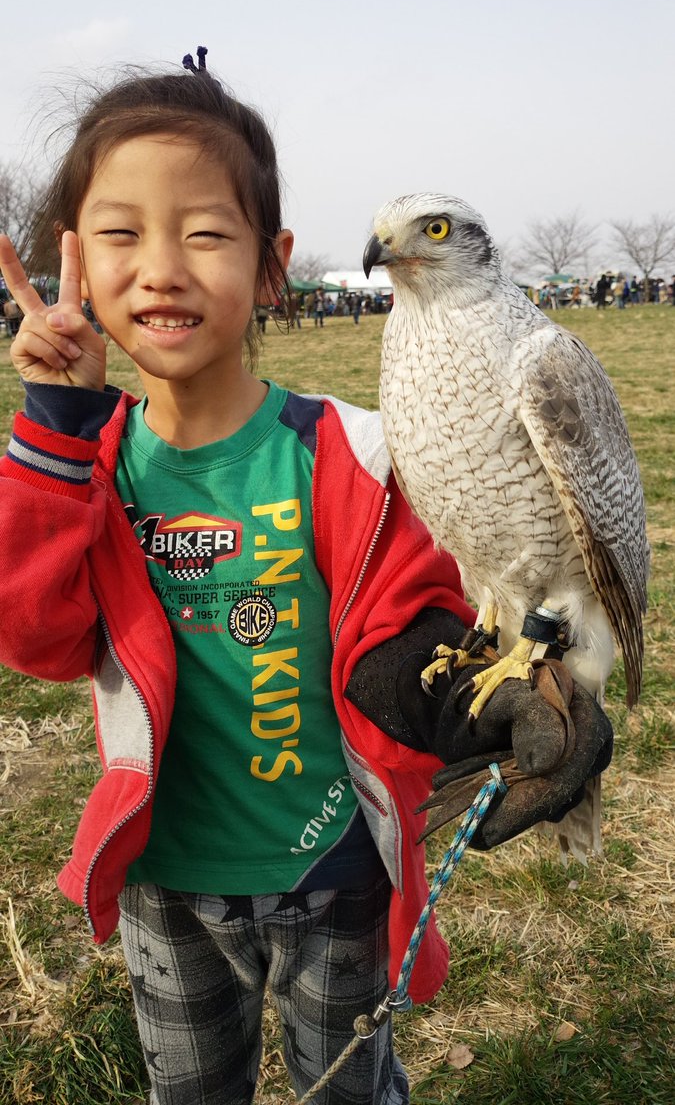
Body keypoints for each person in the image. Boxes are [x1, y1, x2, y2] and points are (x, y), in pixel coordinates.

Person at [0, 55, 611, 1105]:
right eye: (119, 234)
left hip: (339, 868)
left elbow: (406, 625)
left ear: (272, 265)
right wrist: (54, 435)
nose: (161, 268)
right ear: (80, 270)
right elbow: (39, 640)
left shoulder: (357, 450)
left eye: (203, 233)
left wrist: (487, 698)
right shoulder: (81, 467)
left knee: (349, 1088)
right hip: (165, 877)